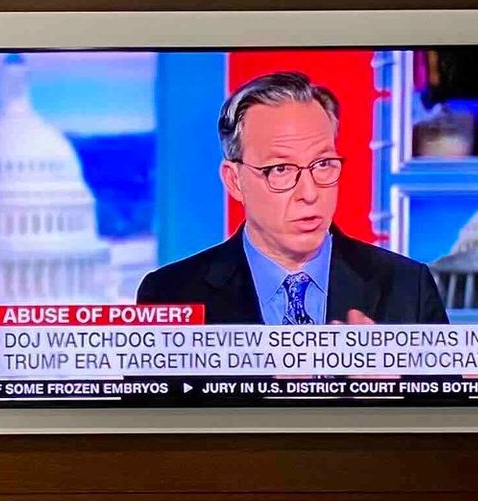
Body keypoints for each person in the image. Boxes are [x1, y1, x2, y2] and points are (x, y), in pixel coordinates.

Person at [136, 71, 448, 325]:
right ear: (234, 181)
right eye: (281, 169)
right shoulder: (170, 294)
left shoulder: (409, 287)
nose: (309, 194)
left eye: (323, 164)